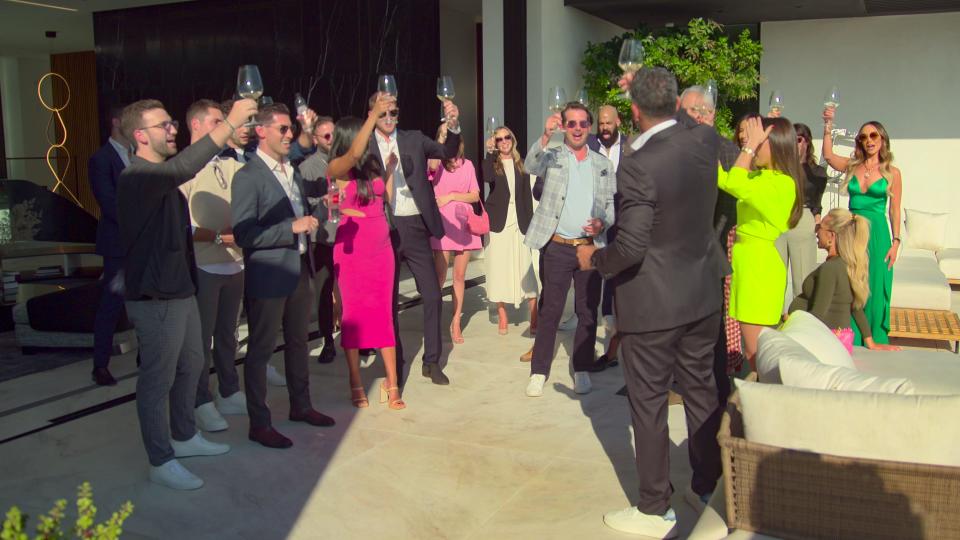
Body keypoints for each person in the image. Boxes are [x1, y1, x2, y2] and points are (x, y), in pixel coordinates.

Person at [577, 67, 724, 538]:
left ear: (633, 111)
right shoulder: (703, 140)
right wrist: (648, 89)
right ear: (679, 104)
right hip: (701, 295)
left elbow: (632, 246)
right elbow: (683, 120)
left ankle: (653, 507)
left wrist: (595, 259)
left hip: (653, 304)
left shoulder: (637, 163)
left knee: (649, 404)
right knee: (702, 391)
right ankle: (707, 486)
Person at [117, 97, 257, 490]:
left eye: (171, 123)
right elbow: (183, 167)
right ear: (140, 135)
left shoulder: (158, 177)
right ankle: (160, 460)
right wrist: (229, 123)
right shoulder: (137, 177)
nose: (172, 129)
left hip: (179, 289)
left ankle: (184, 436)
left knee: (192, 363)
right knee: (157, 379)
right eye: (163, 125)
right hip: (154, 297)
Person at [231, 103, 336, 450]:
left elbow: (301, 214)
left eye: (291, 129)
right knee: (261, 350)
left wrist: (320, 209)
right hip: (269, 273)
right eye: (282, 129)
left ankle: (301, 405)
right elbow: (245, 234)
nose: (289, 134)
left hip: (299, 268)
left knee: (298, 342)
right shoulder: (248, 177)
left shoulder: (290, 170)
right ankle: (259, 424)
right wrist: (291, 227)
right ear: (261, 131)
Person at [366, 92, 463, 385]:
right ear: (371, 112)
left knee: (433, 296)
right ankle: (395, 359)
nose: (388, 118)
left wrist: (454, 126)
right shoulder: (364, 144)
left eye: (393, 112)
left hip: (416, 225)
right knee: (388, 300)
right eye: (382, 112)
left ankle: (431, 361)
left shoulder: (414, 138)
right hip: (384, 227)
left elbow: (447, 152)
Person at [522, 101, 616, 398]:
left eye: (583, 124)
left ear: (590, 127)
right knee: (550, 311)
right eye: (571, 123)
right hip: (558, 247)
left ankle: (582, 369)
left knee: (587, 312)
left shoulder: (603, 164)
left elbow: (612, 206)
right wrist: (546, 136)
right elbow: (529, 165)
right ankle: (539, 372)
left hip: (589, 248)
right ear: (564, 126)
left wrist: (603, 222)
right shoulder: (552, 155)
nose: (577, 129)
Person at [326, 96, 406, 409]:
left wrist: (387, 171)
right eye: (362, 130)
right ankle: (356, 381)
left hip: (381, 248)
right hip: (354, 249)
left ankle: (392, 382)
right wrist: (373, 114)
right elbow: (356, 151)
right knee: (354, 317)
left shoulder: (369, 165)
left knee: (384, 314)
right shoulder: (337, 167)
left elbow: (382, 197)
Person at [179, 99, 247, 433]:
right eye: (218, 120)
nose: (225, 126)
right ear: (197, 124)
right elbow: (181, 227)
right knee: (200, 340)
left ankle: (229, 389)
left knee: (229, 335)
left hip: (235, 265)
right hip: (205, 266)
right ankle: (200, 399)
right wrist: (220, 237)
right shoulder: (183, 168)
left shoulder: (231, 163)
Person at [719, 116, 805, 370]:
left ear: (775, 145)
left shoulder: (781, 183)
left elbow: (734, 181)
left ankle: (762, 401)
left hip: (758, 267)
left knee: (756, 351)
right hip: (748, 261)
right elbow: (727, 180)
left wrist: (748, 147)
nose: (753, 148)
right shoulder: (762, 177)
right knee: (753, 349)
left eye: (759, 143)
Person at [822, 108, 901, 345]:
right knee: (852, 284)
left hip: (877, 234)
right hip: (852, 232)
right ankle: (853, 337)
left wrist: (897, 242)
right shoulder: (852, 165)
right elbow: (828, 156)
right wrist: (828, 126)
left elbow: (895, 210)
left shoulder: (892, 173)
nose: (869, 141)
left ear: (883, 139)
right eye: (864, 137)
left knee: (875, 286)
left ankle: (875, 336)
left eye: (874, 136)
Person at [789, 208, 900, 352]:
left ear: (831, 235)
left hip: (825, 341)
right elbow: (856, 308)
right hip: (839, 340)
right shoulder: (846, 265)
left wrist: (790, 322)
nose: (816, 231)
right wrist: (870, 342)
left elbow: (818, 313)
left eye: (820, 227)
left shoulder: (830, 269)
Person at [482, 126, 538, 342]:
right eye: (499, 139)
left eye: (507, 137)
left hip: (520, 223)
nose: (504, 141)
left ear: (513, 140)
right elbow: (486, 177)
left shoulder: (521, 163)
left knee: (526, 268)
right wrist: (489, 153)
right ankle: (502, 314)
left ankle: (534, 315)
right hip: (498, 224)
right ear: (495, 143)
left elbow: (527, 197)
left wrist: (532, 227)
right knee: (499, 268)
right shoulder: (493, 163)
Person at [428, 124, 481, 344]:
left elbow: (475, 196)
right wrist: (440, 136)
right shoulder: (437, 164)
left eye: (455, 140)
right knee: (439, 277)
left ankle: (456, 322)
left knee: (460, 277)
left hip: (464, 225)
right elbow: (430, 165)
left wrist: (450, 197)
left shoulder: (467, 165)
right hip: (443, 225)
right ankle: (434, 323)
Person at [89, 103, 129, 386]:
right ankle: (100, 365)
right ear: (116, 122)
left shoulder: (138, 156)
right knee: (111, 304)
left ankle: (146, 357)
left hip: (143, 242)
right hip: (118, 243)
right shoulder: (101, 159)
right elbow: (108, 201)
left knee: (145, 300)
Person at [587, 105, 628, 369]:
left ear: (618, 122)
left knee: (620, 284)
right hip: (595, 225)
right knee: (592, 281)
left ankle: (615, 345)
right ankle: (594, 344)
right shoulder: (589, 146)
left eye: (608, 123)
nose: (604, 128)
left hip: (624, 226)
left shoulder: (633, 148)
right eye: (600, 123)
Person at [298, 115, 339, 364]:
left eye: (334, 134)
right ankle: (328, 342)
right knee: (324, 293)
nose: (331, 139)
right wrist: (320, 202)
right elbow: (302, 202)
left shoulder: (346, 162)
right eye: (326, 135)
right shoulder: (308, 167)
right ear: (315, 139)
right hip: (322, 238)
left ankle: (361, 341)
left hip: (346, 235)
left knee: (350, 291)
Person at [776, 122, 827, 301]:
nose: (794, 144)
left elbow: (817, 203)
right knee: (776, 275)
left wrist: (818, 223)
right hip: (779, 218)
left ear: (807, 142)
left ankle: (800, 319)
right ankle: (776, 319)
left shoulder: (817, 172)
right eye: (791, 140)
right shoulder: (779, 167)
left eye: (798, 140)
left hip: (804, 217)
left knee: (803, 278)